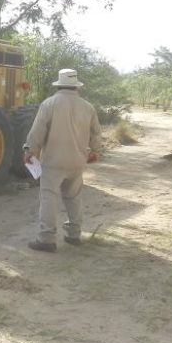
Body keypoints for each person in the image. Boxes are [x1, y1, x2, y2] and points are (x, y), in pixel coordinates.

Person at [23, 69, 102, 253]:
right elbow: (97, 134)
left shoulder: (49, 104)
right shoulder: (88, 107)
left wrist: (30, 151)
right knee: (73, 197)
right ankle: (74, 235)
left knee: (49, 197)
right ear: (76, 87)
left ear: (58, 85)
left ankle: (47, 239)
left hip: (54, 161)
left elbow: (37, 132)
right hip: (77, 161)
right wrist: (95, 152)